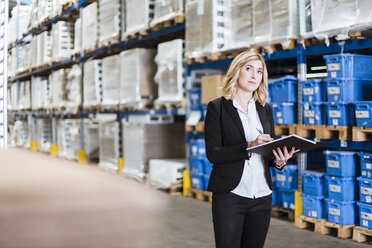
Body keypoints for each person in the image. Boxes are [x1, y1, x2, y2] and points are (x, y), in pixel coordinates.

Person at [204, 50, 300, 248]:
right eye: (249, 69)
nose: (254, 75)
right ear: (237, 71)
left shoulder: (265, 109)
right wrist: (249, 145)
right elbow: (213, 154)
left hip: (262, 196)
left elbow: (267, 151)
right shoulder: (218, 108)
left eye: (259, 71)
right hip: (231, 195)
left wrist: (279, 161)